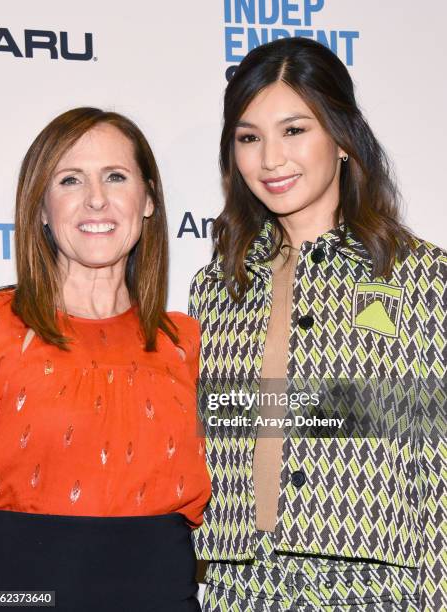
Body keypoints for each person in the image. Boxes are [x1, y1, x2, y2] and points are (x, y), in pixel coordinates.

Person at [189, 38, 445, 610]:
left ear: (344, 139)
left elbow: (437, 466)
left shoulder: (421, 277)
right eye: (249, 137)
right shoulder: (217, 289)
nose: (271, 159)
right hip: (239, 588)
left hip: (378, 588)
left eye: (295, 130)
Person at [0, 107, 210, 611]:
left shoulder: (188, 343)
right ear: (40, 208)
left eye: (116, 176)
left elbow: (303, 436)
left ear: (147, 200)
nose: (97, 199)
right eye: (69, 180)